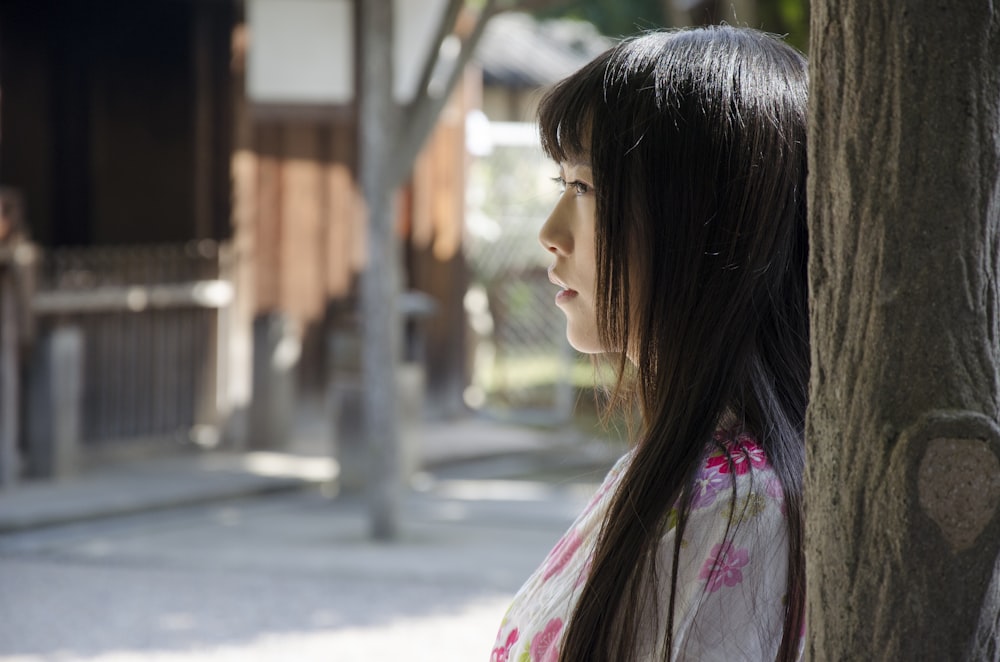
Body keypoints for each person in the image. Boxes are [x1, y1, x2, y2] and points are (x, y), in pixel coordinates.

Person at [490, 26, 808, 662]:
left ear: (696, 220)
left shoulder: (732, 506)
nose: (551, 233)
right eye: (564, 185)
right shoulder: (703, 475)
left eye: (584, 188)